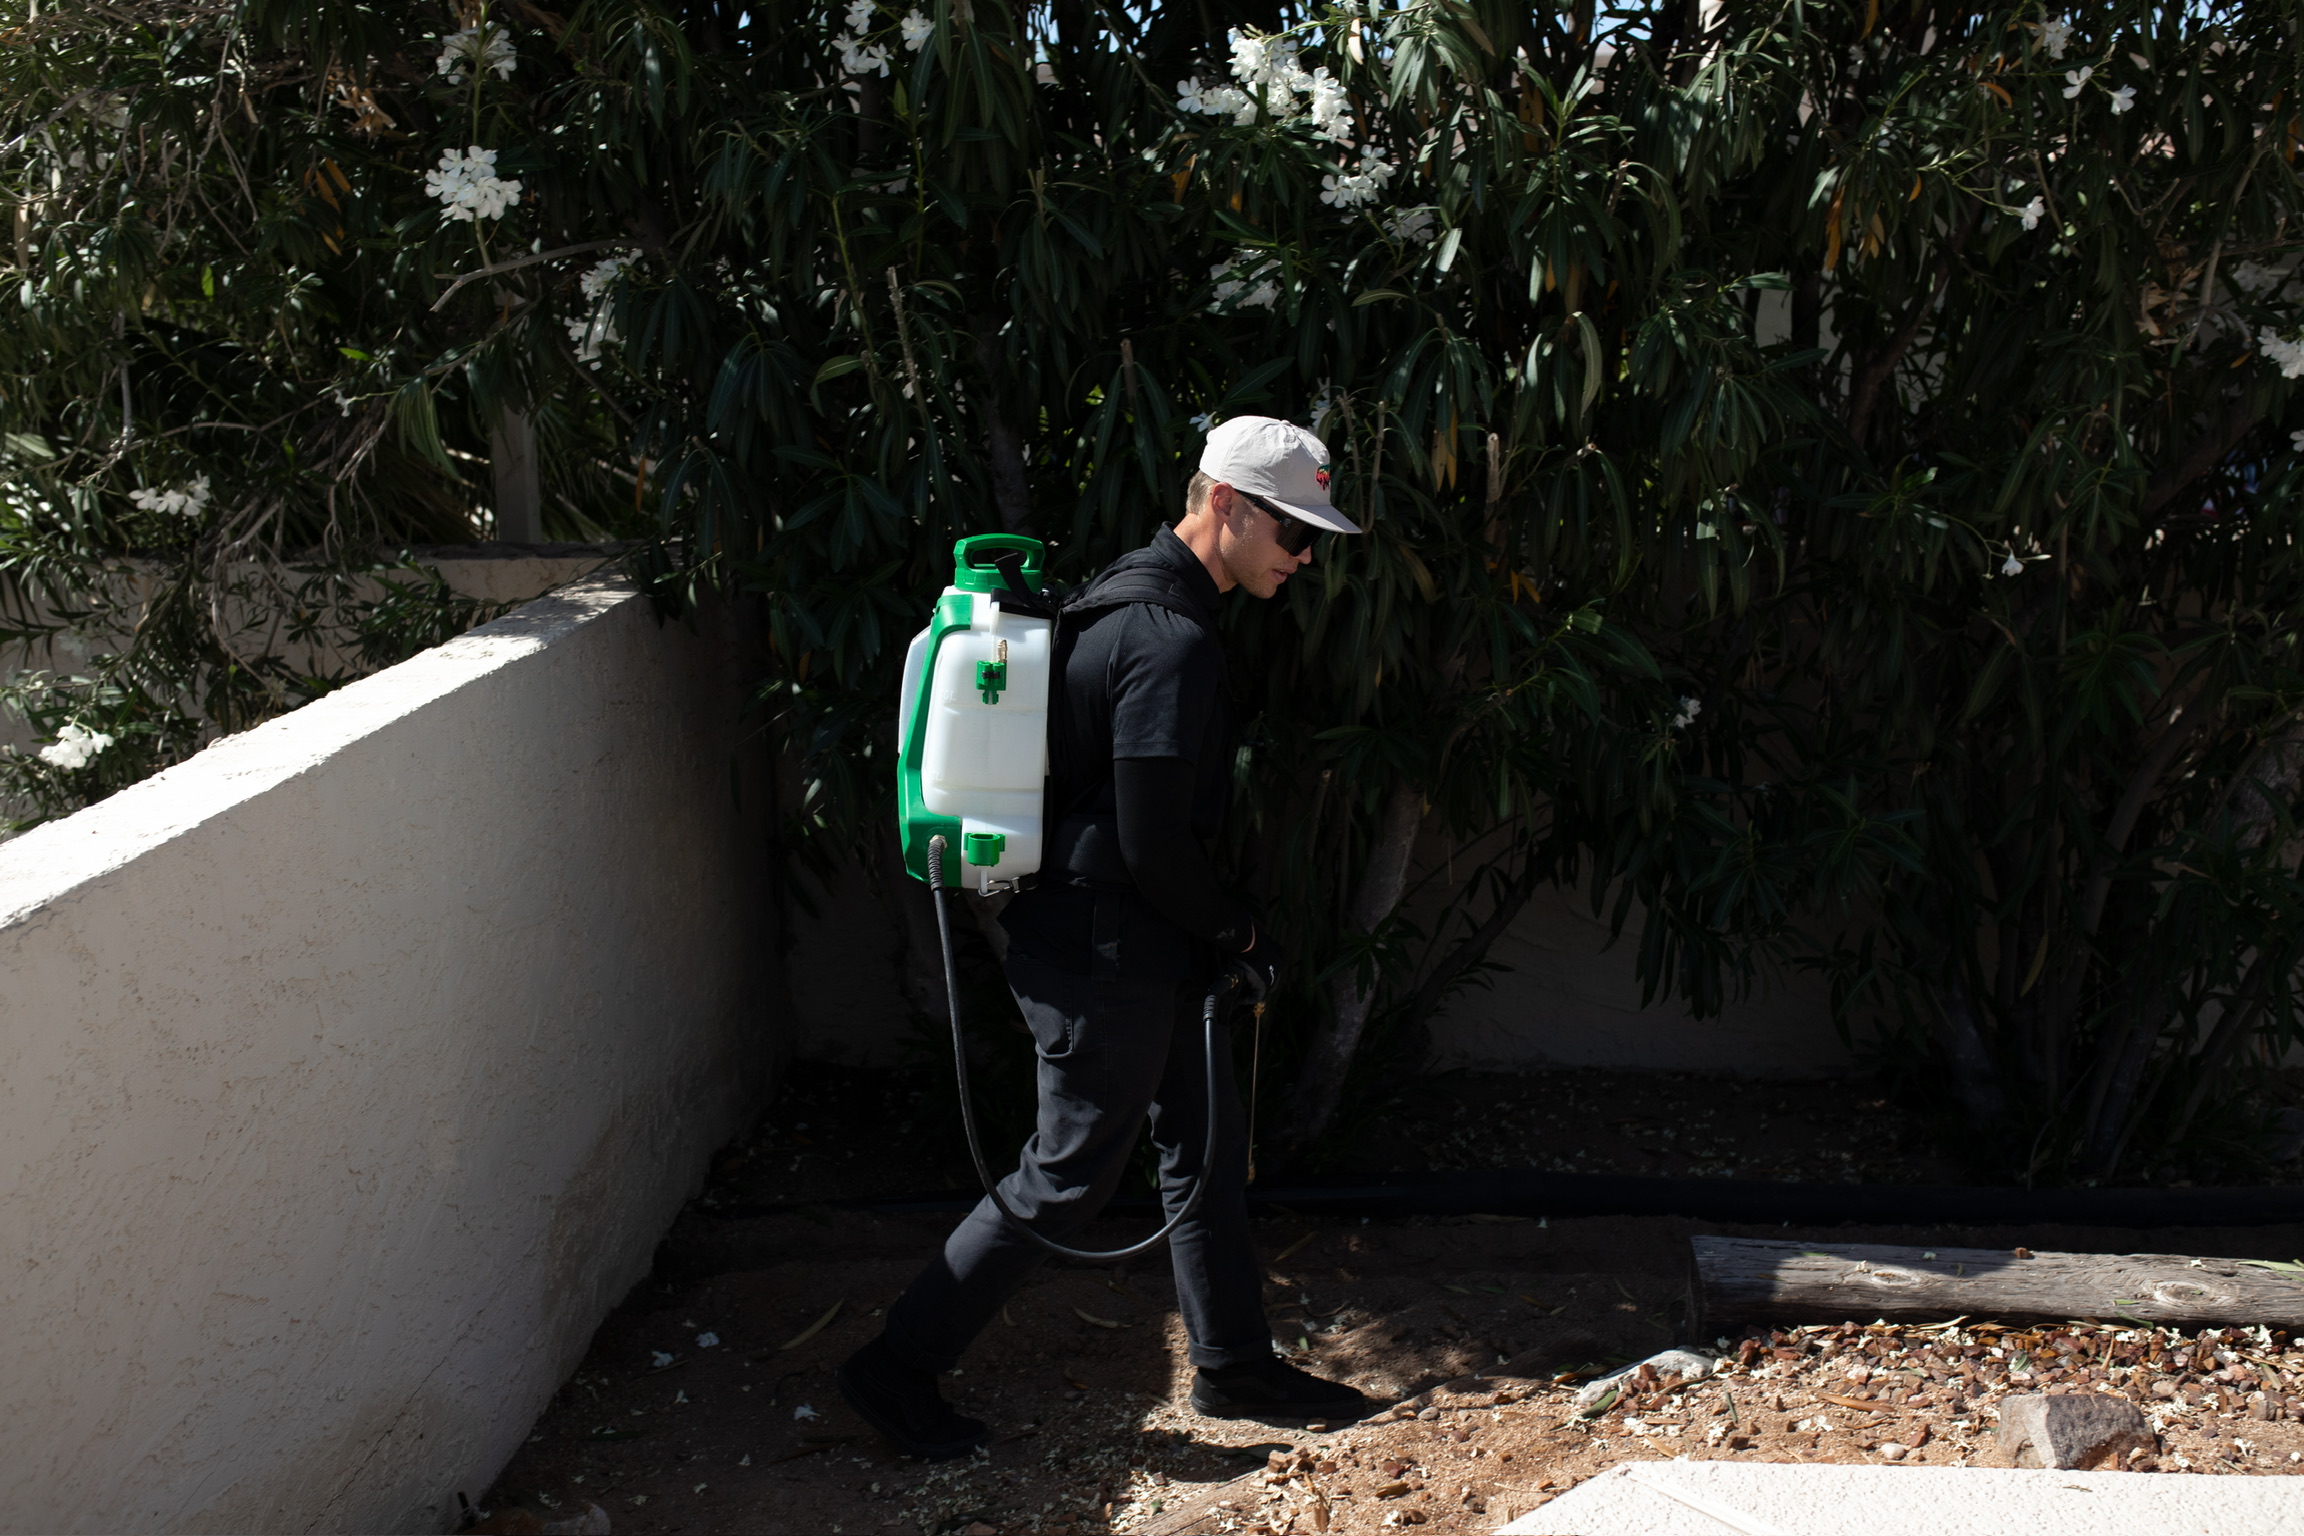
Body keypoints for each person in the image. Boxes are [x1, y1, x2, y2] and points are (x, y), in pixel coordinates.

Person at [838, 416, 1374, 1458]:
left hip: (1127, 935)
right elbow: (1151, 841)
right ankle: (892, 1368)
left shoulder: (1126, 595)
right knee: (1068, 1173)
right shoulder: (1169, 640)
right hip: (1106, 947)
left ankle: (1234, 1366)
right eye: (1294, 532)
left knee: (1203, 1147)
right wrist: (1239, 931)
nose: (1305, 557)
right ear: (1226, 503)